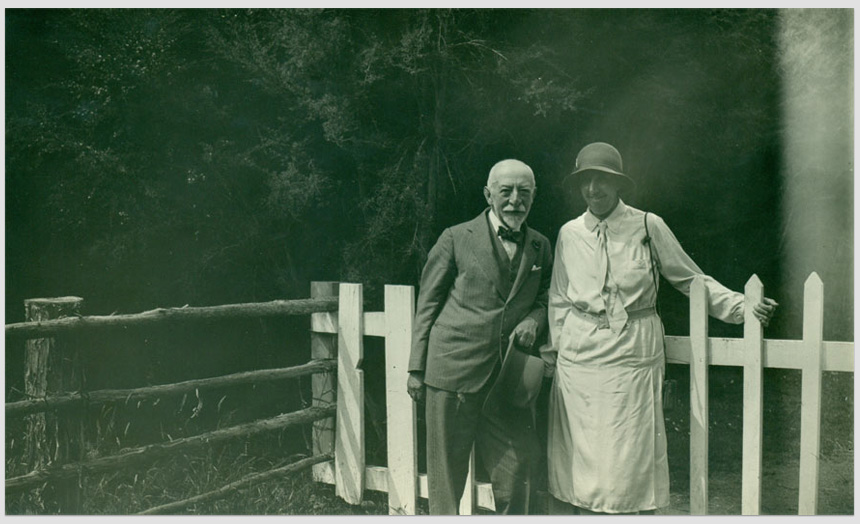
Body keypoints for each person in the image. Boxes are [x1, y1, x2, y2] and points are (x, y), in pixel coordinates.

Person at [545, 142, 778, 515]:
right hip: (579, 359)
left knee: (627, 455)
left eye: (602, 180)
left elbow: (690, 279)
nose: (593, 189)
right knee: (583, 457)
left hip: (632, 353)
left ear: (618, 183)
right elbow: (559, 298)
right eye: (586, 181)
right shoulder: (569, 234)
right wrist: (558, 350)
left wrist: (741, 305)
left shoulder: (647, 225)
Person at [407, 159, 553, 515]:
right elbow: (427, 305)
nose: (515, 200)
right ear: (488, 195)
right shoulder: (455, 238)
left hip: (507, 378)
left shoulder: (540, 245)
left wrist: (535, 319)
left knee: (519, 465)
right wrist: (416, 368)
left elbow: (547, 296)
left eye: (524, 192)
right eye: (506, 191)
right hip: (452, 371)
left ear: (534, 196)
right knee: (447, 479)